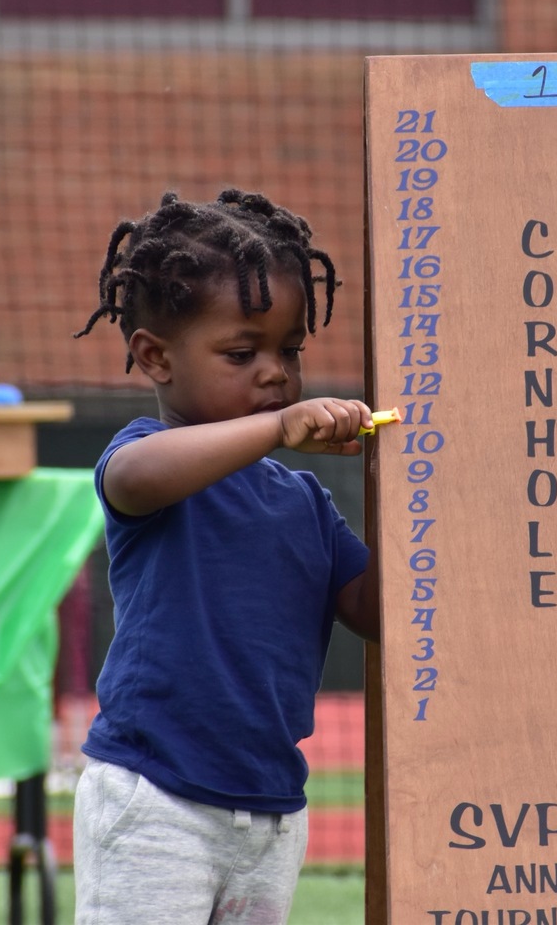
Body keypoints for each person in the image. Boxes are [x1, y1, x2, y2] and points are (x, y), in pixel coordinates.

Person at [70, 188, 379, 924]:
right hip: (156, 798)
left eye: (290, 351)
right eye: (241, 353)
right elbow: (136, 483)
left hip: (271, 813)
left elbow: (380, 612)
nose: (274, 373)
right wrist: (277, 431)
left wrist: (414, 485)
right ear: (155, 357)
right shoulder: (143, 458)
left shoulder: (304, 502)